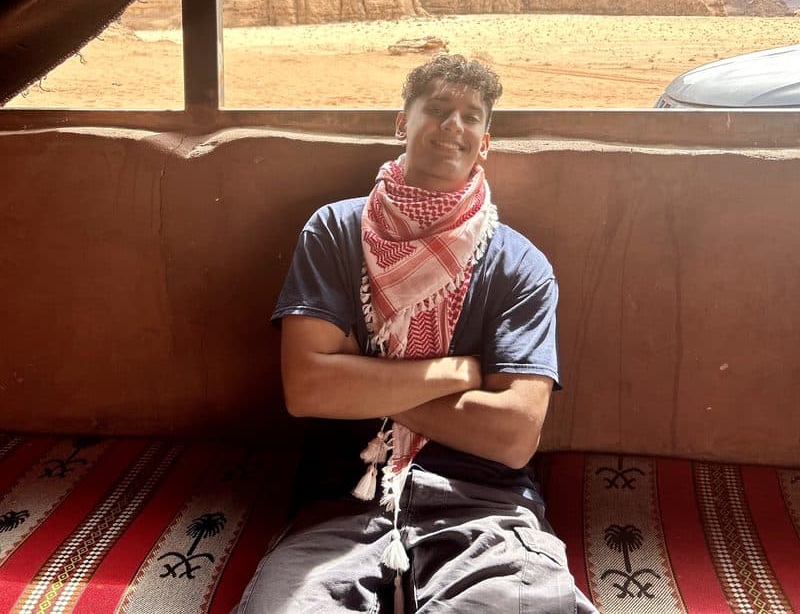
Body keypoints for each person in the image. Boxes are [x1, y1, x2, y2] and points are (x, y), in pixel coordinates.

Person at [235, 54, 597, 613]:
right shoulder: (334, 232)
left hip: (486, 509)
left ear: (485, 142)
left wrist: (361, 381)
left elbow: (513, 436)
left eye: (471, 117)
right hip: (342, 504)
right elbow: (306, 390)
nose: (453, 125)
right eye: (438, 109)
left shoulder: (519, 265)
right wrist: (454, 373)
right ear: (402, 123)